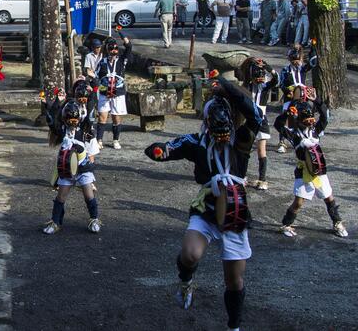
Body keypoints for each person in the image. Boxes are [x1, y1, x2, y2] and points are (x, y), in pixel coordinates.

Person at [145, 74, 261, 331]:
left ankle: (234, 326)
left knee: (234, 281)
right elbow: (166, 148)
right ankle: (186, 281)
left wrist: (228, 87)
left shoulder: (241, 142)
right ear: (207, 124)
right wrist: (158, 150)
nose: (221, 136)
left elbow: (257, 117)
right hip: (207, 208)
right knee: (190, 254)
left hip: (235, 212)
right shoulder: (197, 143)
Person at [276, 98, 348, 238]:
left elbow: (325, 116)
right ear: (299, 119)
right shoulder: (294, 134)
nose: (310, 121)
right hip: (304, 172)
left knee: (329, 197)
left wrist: (316, 100)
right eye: (306, 118)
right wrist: (286, 113)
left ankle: (337, 222)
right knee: (298, 202)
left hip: (319, 171)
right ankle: (286, 224)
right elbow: (278, 125)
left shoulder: (316, 131)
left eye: (311, 118)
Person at [43, 93, 102, 235]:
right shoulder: (62, 130)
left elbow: (90, 116)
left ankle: (94, 219)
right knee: (60, 197)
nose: (72, 123)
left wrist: (92, 94)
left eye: (75, 120)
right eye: (70, 119)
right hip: (66, 170)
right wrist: (51, 109)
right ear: (64, 118)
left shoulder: (84, 130)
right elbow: (52, 122)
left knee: (89, 195)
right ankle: (56, 222)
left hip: (83, 168)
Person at [239, 57, 278, 190]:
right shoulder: (247, 86)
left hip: (261, 120)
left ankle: (263, 179)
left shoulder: (265, 87)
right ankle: (242, 176)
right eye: (256, 74)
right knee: (245, 149)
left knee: (261, 150)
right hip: (248, 119)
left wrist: (267, 66)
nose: (259, 77)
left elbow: (276, 78)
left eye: (261, 74)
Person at [95, 28, 132, 150]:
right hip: (105, 93)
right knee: (102, 116)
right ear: (107, 50)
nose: (114, 51)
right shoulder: (102, 62)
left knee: (116, 117)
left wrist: (120, 33)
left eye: (115, 48)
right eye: (111, 49)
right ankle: (99, 140)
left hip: (119, 93)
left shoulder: (122, 60)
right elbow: (96, 76)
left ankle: (116, 140)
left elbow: (129, 47)